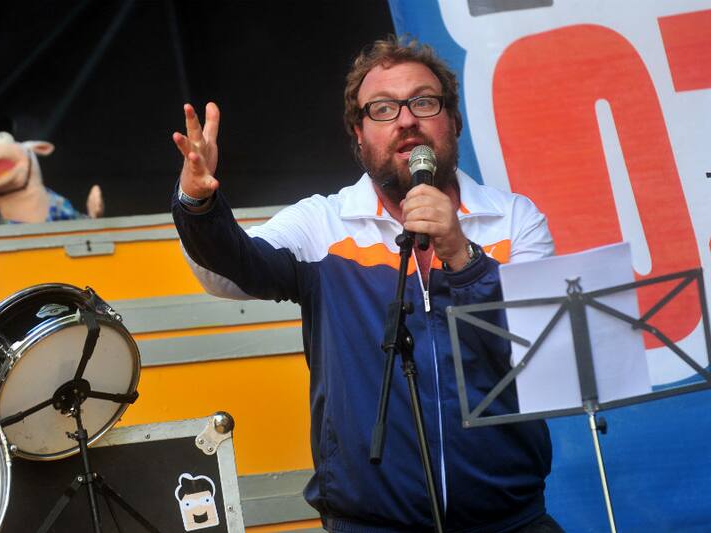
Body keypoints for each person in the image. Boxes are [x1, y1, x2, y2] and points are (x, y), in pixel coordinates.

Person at [171, 35, 563, 532]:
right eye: (382, 108)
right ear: (358, 134)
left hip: (510, 520)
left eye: (424, 102)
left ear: (454, 121)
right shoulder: (323, 224)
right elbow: (228, 273)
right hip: (371, 523)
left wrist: (462, 256)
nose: (406, 120)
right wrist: (198, 205)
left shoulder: (515, 220)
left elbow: (538, 357)